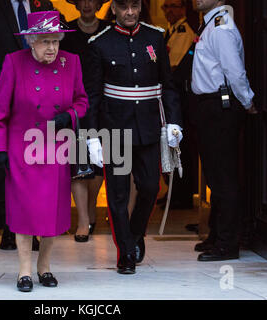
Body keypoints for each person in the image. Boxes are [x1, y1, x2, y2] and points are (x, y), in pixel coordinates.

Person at [0, 11, 88, 292]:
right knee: (24, 212)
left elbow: (82, 100)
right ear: (31, 42)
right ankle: (23, 271)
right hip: (22, 149)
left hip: (55, 149)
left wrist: (69, 116)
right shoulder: (13, 63)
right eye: (45, 41)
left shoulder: (72, 63)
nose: (52, 48)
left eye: (55, 41)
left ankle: (44, 267)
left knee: (49, 214)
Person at [86, 0, 182, 274]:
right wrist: (92, 137)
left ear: (140, 7)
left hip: (149, 127)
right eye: (124, 7)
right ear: (114, 9)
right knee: (118, 195)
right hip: (114, 129)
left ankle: (135, 234)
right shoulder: (99, 43)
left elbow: (168, 86)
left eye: (134, 6)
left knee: (151, 188)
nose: (130, 12)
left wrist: (174, 123)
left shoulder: (155, 37)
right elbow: (93, 96)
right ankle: (125, 252)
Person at [0, 0, 54, 251]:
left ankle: (35, 226)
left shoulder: (44, 5)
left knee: (39, 163)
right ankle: (10, 229)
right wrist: (11, 81)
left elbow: (52, 48)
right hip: (7, 97)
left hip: (42, 98)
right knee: (7, 164)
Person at [191, 0, 258, 261]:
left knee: (223, 177)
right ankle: (217, 235)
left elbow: (234, 70)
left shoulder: (221, 26)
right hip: (209, 107)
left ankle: (228, 243)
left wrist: (248, 101)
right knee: (214, 176)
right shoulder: (212, 23)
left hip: (221, 107)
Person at [61, 0, 110, 242]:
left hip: (105, 103)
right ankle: (82, 219)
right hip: (74, 103)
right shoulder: (67, 33)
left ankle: (91, 207)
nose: (88, 3)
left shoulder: (110, 29)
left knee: (100, 163)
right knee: (78, 162)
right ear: (77, 3)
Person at [157, 0, 197, 210]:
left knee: (180, 147)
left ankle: (182, 194)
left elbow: (173, 66)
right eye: (166, 6)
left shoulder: (183, 31)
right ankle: (175, 191)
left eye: (174, 6)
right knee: (171, 147)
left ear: (183, 9)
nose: (169, 11)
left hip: (179, 99)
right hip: (171, 98)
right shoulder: (169, 31)